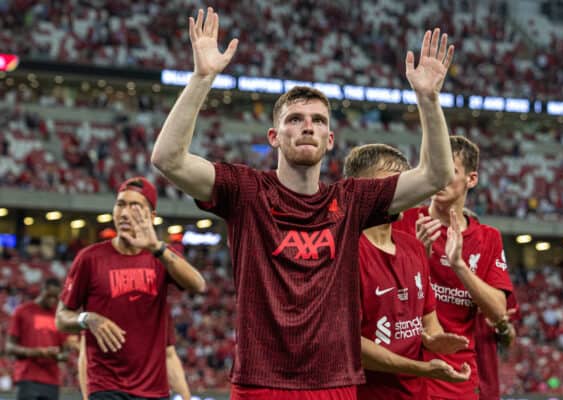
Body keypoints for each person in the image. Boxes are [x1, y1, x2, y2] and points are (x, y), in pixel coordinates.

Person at [152, 6, 456, 399]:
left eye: (318, 120)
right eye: (295, 119)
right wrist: (202, 77)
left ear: (330, 139)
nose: (308, 125)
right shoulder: (246, 191)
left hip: (335, 383)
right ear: (274, 135)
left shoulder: (350, 200)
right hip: (261, 384)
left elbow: (435, 176)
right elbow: (167, 159)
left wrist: (429, 100)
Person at [55, 176, 206, 400]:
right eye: (120, 204)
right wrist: (87, 318)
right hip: (106, 388)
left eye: (135, 206)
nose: (124, 213)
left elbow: (198, 285)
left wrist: (156, 247)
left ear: (151, 216)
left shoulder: (161, 257)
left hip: (154, 391)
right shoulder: (90, 258)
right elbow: (61, 318)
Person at [343, 143, 471, 399]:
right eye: (390, 183)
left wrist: (433, 340)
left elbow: (428, 321)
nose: (401, 192)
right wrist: (423, 369)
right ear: (358, 189)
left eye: (404, 183)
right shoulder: (346, 253)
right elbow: (350, 347)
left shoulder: (413, 246)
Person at [394, 136, 514, 400]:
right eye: (435, 168)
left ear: (471, 180)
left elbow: (498, 311)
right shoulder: (404, 221)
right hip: (405, 369)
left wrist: (459, 265)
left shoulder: (488, 238)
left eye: (450, 171)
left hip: (456, 376)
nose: (440, 177)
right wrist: (417, 257)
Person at [78, 312, 191, 400]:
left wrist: (186, 397)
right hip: (110, 391)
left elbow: (169, 355)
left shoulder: (159, 305)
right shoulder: (104, 301)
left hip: (151, 393)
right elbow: (86, 355)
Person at [6, 278, 76, 400]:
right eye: (49, 296)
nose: (53, 300)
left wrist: (58, 356)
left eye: (56, 297)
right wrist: (37, 352)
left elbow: (65, 352)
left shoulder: (58, 316)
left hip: (52, 381)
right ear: (41, 290)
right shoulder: (23, 311)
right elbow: (9, 347)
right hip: (27, 378)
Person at [474, 294, 518, 400]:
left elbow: (509, 341)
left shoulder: (498, 283)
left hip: (485, 386)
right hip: (442, 380)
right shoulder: (430, 280)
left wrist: (503, 327)